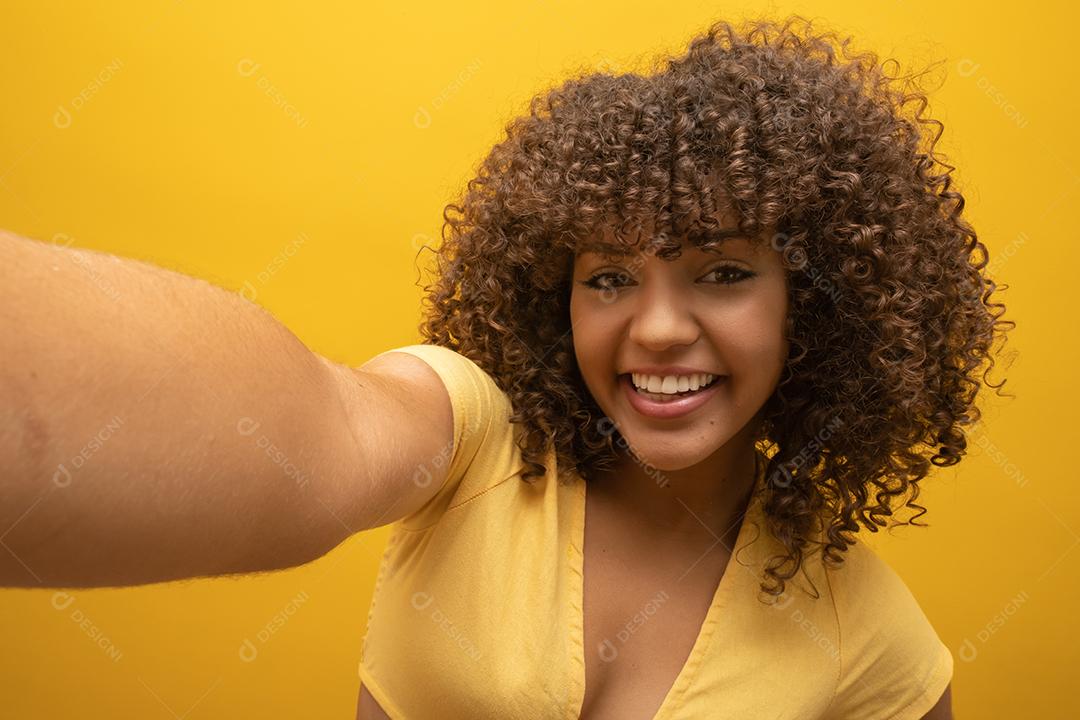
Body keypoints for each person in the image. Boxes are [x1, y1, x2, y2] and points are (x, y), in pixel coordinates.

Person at [1, 14, 1011, 720]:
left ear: (816, 303)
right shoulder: (473, 436)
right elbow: (318, 425)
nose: (657, 328)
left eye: (724, 271)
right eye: (609, 276)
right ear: (551, 296)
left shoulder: (865, 627)